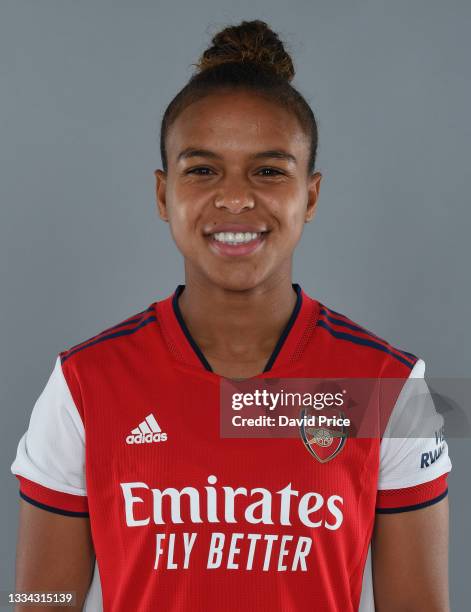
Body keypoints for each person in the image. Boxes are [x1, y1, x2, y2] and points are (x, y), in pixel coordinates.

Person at [11, 19, 451, 612]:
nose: (236, 198)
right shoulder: (85, 383)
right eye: (202, 169)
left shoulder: (386, 388)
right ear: (163, 195)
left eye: (269, 171)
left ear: (311, 196)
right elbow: (39, 600)